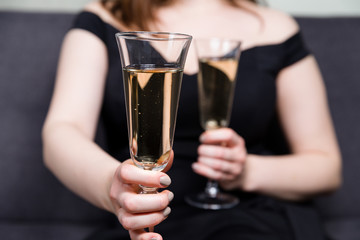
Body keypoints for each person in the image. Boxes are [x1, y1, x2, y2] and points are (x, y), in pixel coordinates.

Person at [41, 0, 342, 239]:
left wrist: (246, 170)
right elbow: (63, 130)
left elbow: (327, 167)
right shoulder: (101, 17)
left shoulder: (277, 28)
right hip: (145, 221)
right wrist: (114, 185)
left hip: (254, 217)